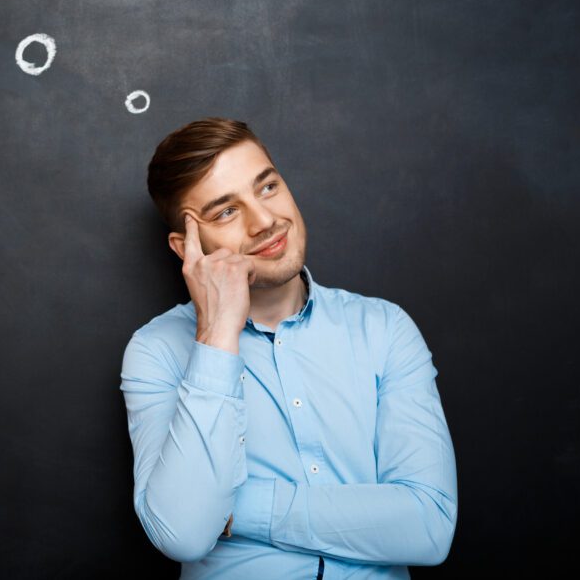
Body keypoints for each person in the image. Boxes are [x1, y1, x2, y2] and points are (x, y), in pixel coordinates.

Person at [119, 118, 458, 579]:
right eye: (225, 212)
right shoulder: (155, 351)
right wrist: (217, 335)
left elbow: (428, 525)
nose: (265, 221)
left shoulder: (384, 329)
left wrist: (234, 507)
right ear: (186, 248)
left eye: (268, 187)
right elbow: (184, 532)